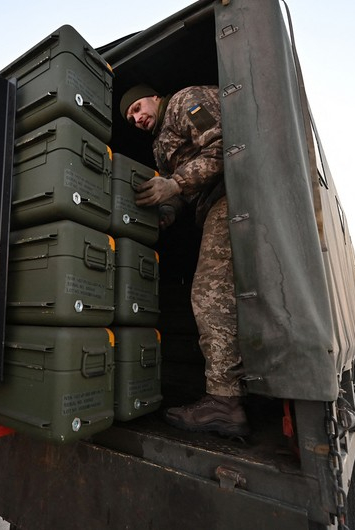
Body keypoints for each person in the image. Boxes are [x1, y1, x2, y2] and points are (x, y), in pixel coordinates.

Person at [120, 84, 249, 437]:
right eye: (131, 117)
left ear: (155, 98)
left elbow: (225, 146)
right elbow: (179, 191)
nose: (136, 118)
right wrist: (168, 211)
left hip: (234, 193)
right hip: (213, 204)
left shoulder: (184, 102)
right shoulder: (159, 145)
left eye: (138, 107)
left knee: (208, 294)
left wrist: (174, 184)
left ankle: (225, 402)